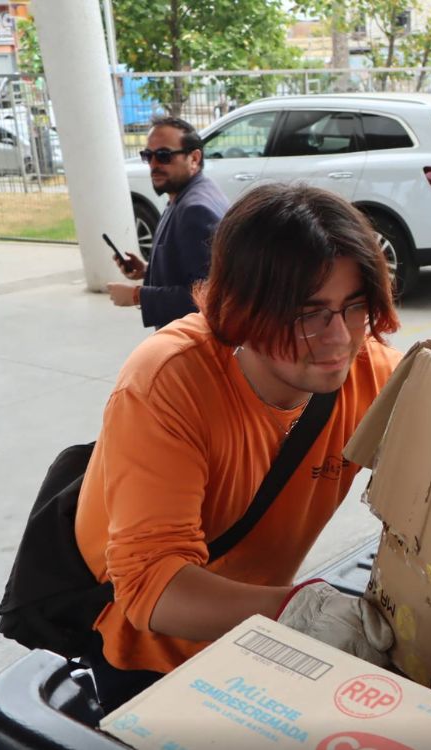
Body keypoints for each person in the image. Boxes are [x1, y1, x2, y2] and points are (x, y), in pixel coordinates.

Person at [76, 184, 403, 712]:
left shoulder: (370, 370)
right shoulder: (167, 381)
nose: (339, 337)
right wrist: (299, 608)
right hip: (152, 653)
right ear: (241, 308)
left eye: (355, 306)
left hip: (259, 634)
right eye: (308, 312)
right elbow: (150, 586)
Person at [106, 116, 229, 329]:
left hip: (193, 347)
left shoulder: (195, 210)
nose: (154, 164)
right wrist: (147, 270)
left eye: (164, 155)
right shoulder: (185, 194)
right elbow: (191, 271)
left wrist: (138, 296)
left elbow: (210, 297)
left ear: (194, 158)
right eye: (148, 155)